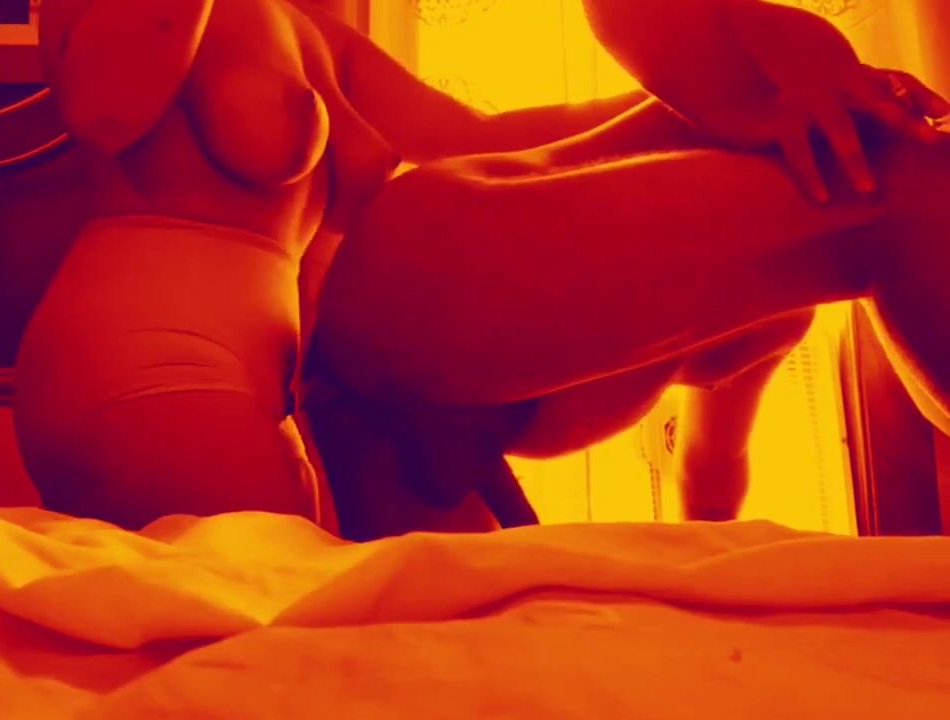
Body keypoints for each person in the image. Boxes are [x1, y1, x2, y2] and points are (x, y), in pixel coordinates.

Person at [305, 0, 950, 540]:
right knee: (889, 171)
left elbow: (711, 485)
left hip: (433, 351)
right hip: (413, 275)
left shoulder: (769, 299)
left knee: (874, 162)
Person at [12, 0, 645, 531]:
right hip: (142, 364)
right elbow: (106, 109)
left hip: (261, 388)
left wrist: (677, 107)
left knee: (300, 617)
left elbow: (483, 139)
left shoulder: (315, 30)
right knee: (263, 604)